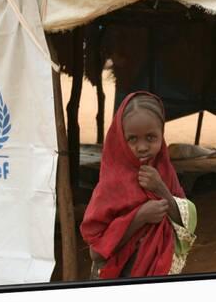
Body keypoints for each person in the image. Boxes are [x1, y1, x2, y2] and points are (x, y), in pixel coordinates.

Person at [80, 91, 197, 279]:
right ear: (120, 138)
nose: (142, 147)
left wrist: (160, 188)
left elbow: (185, 225)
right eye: (132, 139)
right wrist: (140, 217)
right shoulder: (111, 184)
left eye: (151, 137)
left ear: (162, 135)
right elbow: (96, 252)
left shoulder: (165, 173)